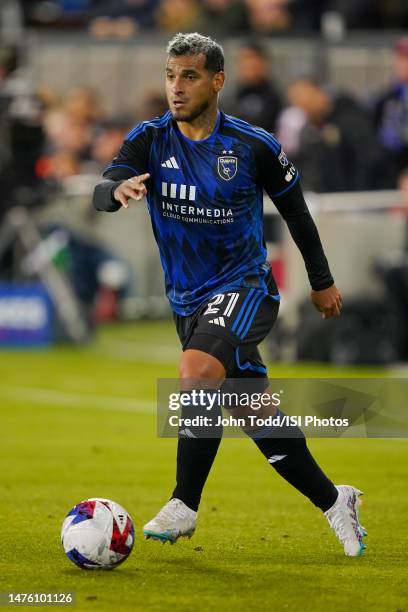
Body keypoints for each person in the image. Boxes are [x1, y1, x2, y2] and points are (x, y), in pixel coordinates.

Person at [93, 32, 366, 557]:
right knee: (252, 411)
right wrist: (115, 191)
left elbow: (298, 215)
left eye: (189, 76)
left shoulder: (253, 146)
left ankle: (184, 502)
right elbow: (104, 187)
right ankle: (337, 501)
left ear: (218, 81)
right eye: (170, 76)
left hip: (246, 289)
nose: (176, 87)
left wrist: (321, 279)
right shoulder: (150, 139)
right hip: (187, 302)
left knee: (195, 374)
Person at [223, 40, 283, 133]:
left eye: (251, 58)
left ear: (263, 63)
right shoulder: (232, 97)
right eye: (243, 59)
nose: (247, 64)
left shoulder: (273, 98)